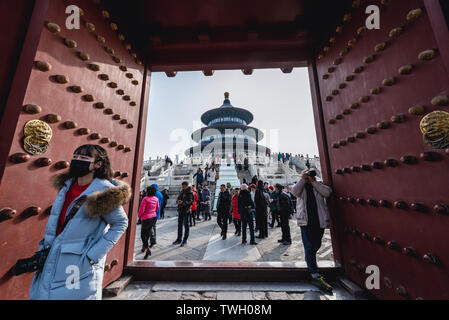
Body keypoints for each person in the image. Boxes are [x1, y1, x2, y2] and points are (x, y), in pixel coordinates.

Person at [28, 144, 129, 300]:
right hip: (53, 254)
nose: (77, 160)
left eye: (84, 158)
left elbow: (121, 223)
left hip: (78, 265)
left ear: (98, 164)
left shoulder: (104, 191)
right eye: (75, 156)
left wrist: (93, 255)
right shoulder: (66, 186)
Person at [290, 169, 333, 293]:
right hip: (306, 221)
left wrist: (314, 182)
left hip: (318, 220)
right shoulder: (301, 186)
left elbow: (327, 193)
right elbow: (294, 192)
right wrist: (303, 179)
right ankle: (314, 273)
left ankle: (310, 261)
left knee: (316, 244)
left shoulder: (318, 184)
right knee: (308, 246)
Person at [138, 185, 159, 259]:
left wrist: (139, 216)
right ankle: (144, 247)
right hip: (153, 217)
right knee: (148, 233)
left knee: (143, 235)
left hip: (146, 218)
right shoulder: (156, 199)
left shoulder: (145, 199)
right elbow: (157, 208)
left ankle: (147, 249)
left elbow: (141, 209)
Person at [173, 182, 194, 247]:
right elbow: (178, 198)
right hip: (180, 210)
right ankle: (179, 239)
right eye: (182, 186)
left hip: (186, 211)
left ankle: (185, 240)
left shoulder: (190, 193)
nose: (182, 188)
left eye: (184, 186)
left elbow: (190, 202)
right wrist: (178, 201)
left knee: (186, 226)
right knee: (179, 225)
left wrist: (183, 202)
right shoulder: (182, 191)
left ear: (187, 186)